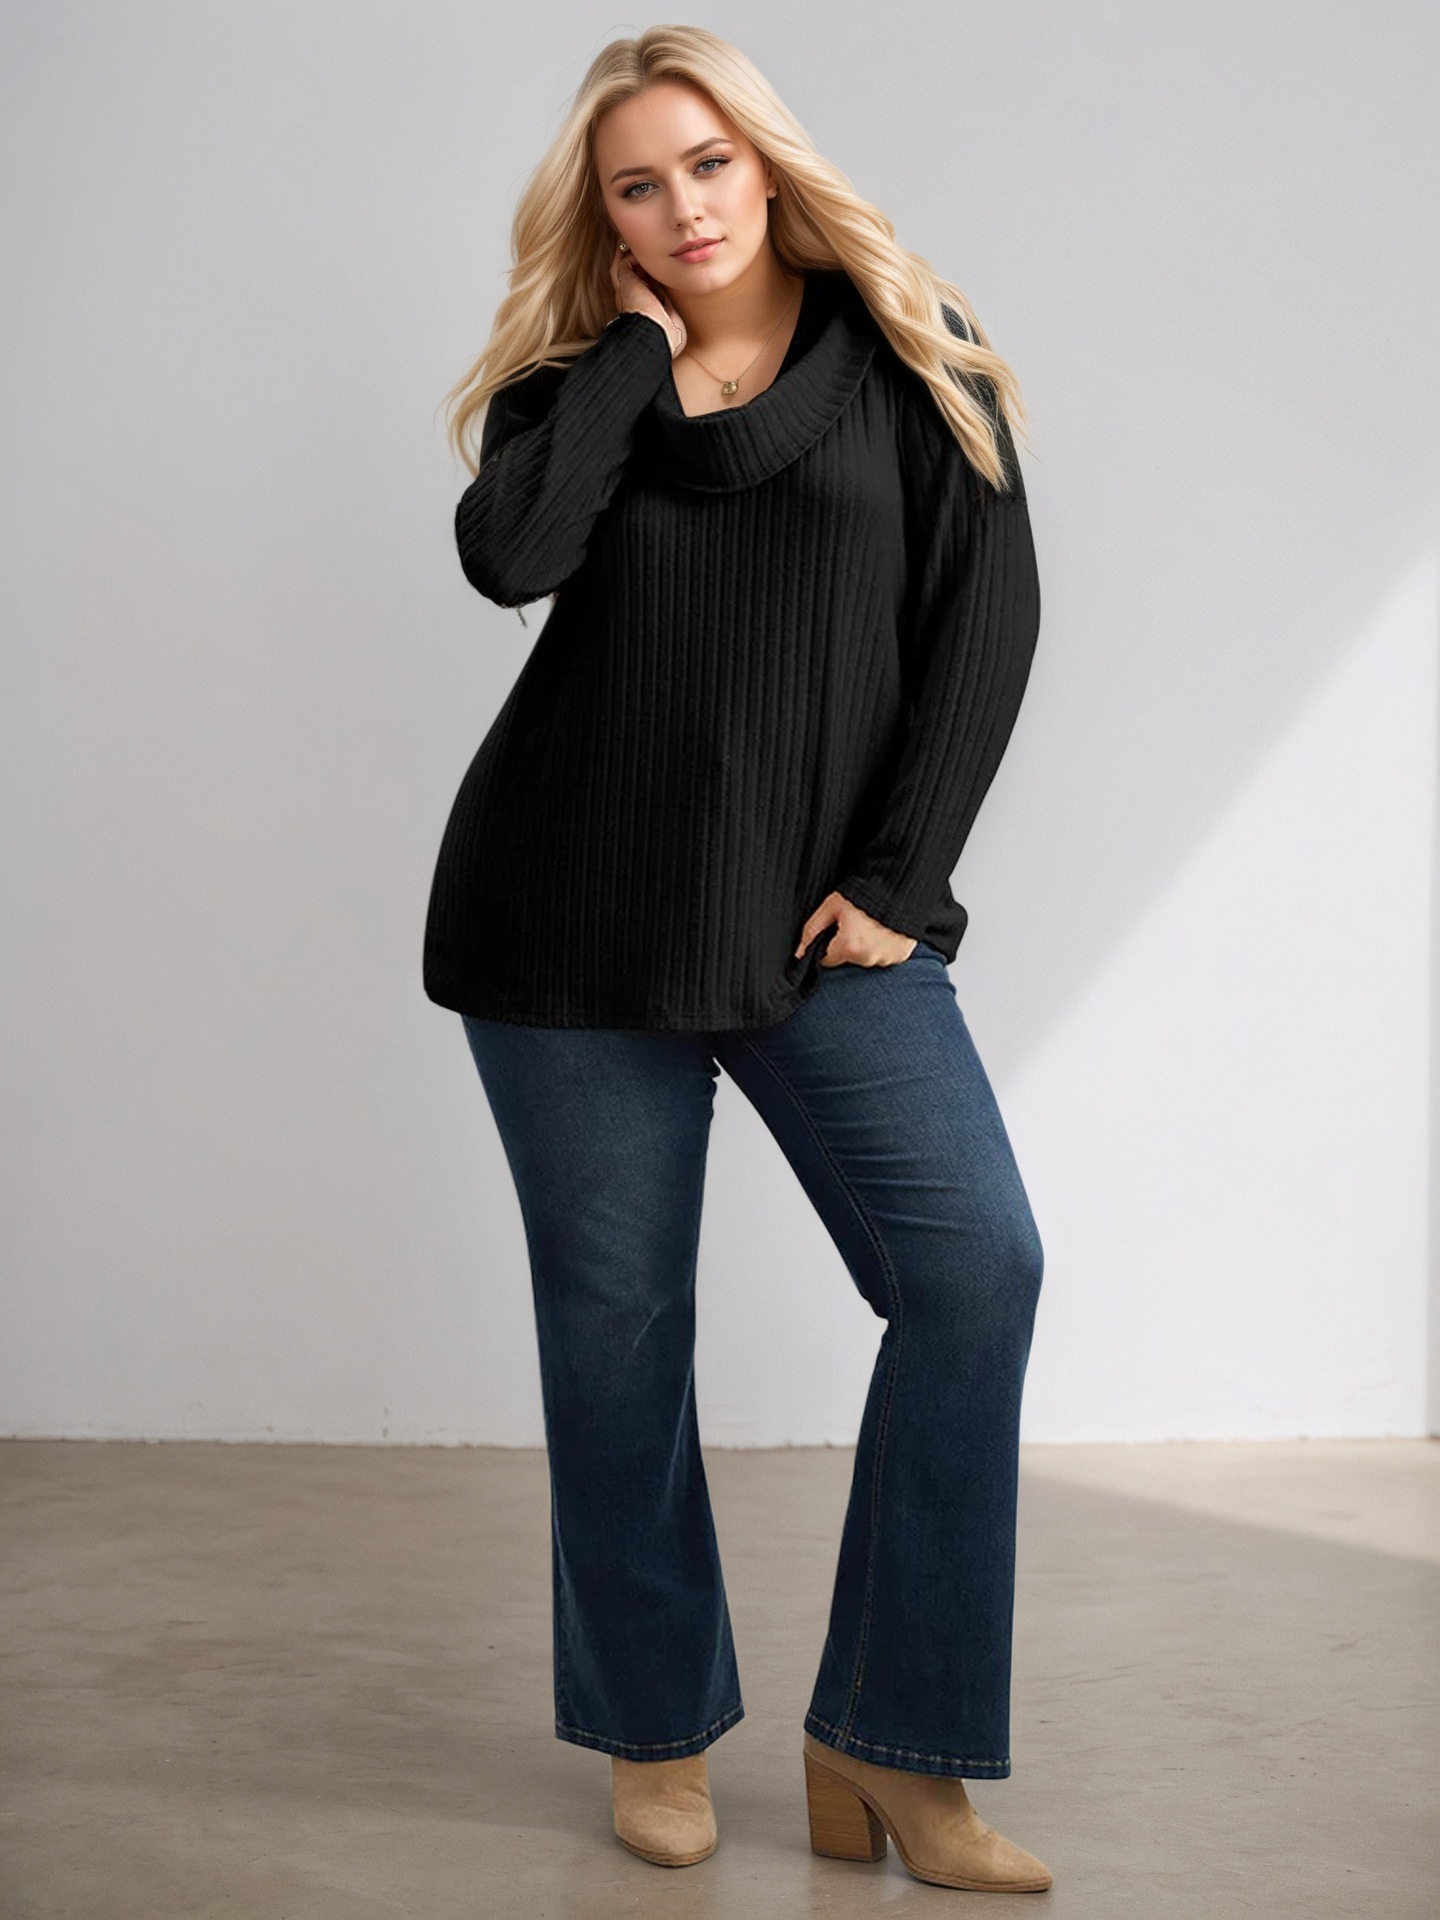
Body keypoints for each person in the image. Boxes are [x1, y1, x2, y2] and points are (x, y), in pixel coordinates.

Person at [423, 24, 1052, 1895]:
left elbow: (988, 623)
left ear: (765, 162)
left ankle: (894, 1744)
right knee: (618, 1333)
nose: (684, 206)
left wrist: (902, 881)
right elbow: (509, 559)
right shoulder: (573, 389)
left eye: (707, 164)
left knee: (976, 1271)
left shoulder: (912, 347)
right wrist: (634, 358)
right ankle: (652, 1728)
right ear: (605, 217)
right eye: (639, 184)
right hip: (565, 927)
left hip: (821, 932)